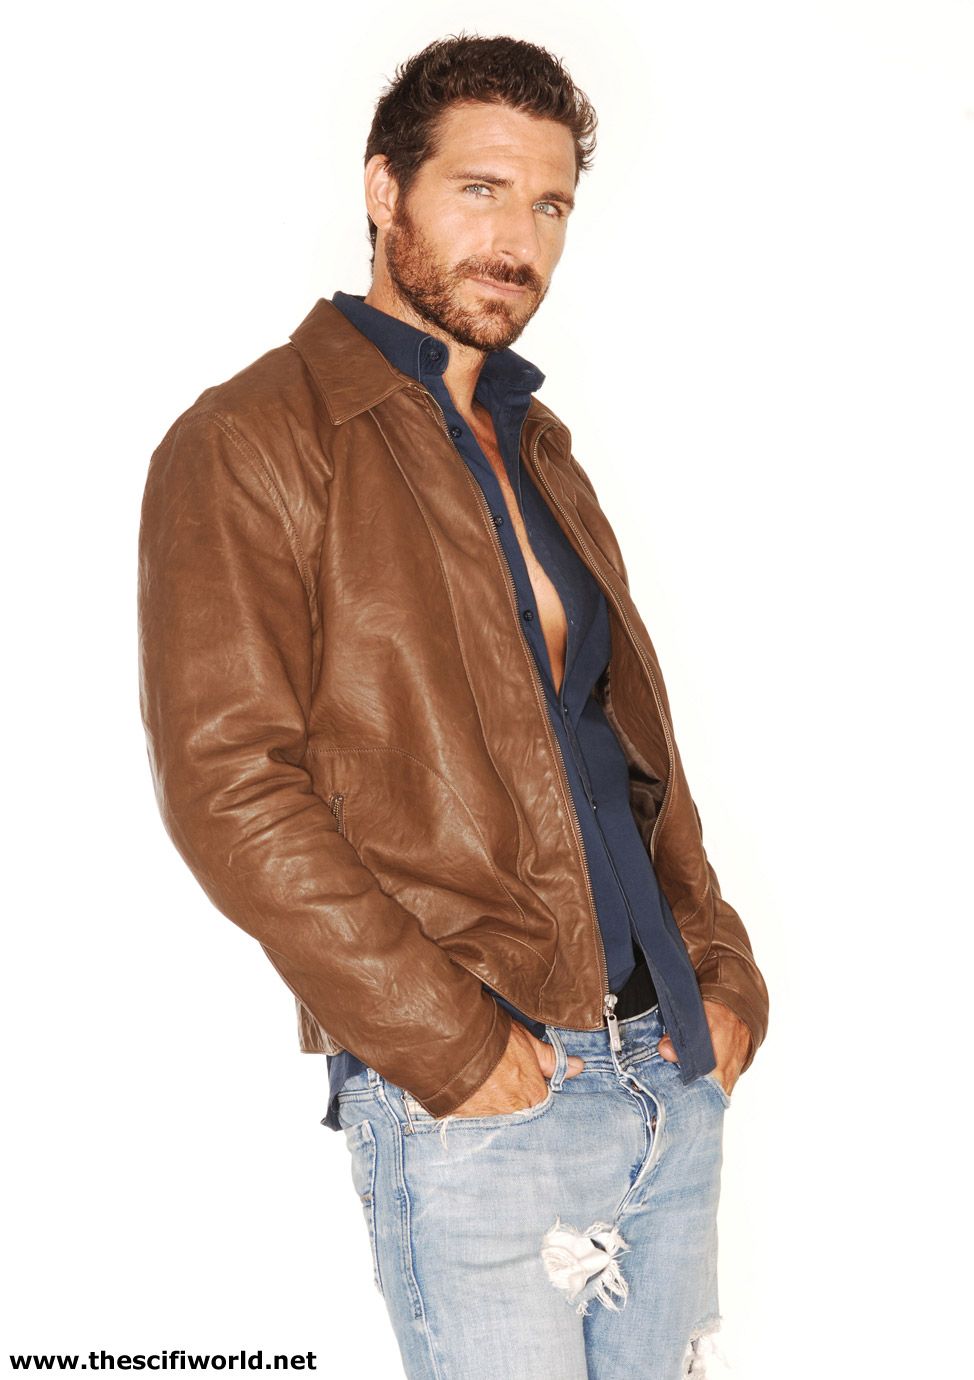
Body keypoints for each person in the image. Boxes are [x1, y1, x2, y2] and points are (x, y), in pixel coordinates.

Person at [137, 32, 769, 1380]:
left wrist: (719, 968)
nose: (518, 241)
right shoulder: (254, 439)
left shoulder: (539, 447)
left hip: (666, 1074)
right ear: (386, 191)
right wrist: (451, 1042)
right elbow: (228, 786)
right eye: (480, 191)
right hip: (481, 1099)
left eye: (549, 206)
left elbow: (626, 748)